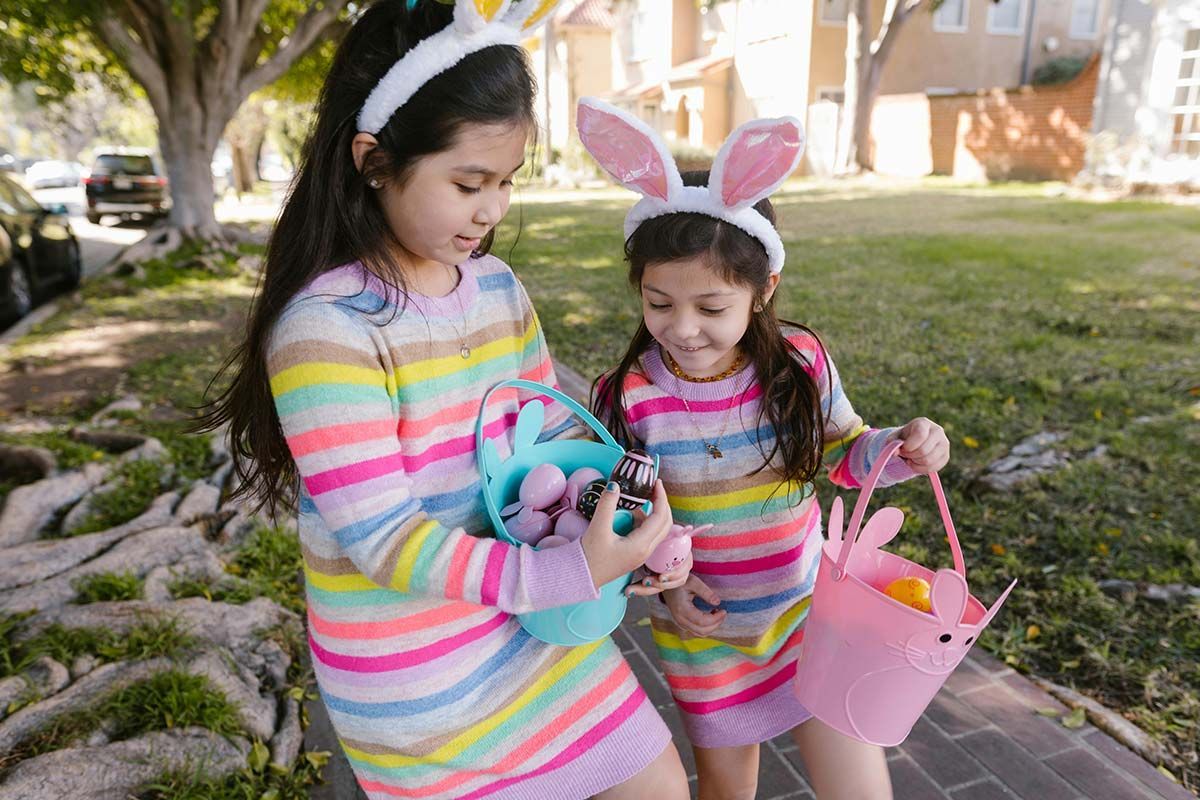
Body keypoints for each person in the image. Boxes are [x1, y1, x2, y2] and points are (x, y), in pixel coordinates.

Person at [199, 6, 692, 798]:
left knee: (659, 785)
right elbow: (387, 541)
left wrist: (623, 516)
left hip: (535, 633)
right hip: (420, 682)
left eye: (505, 182)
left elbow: (555, 435)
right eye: (468, 182)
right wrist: (570, 570)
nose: (492, 210)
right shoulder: (326, 331)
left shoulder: (495, 287)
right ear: (374, 161)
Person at [581, 98, 950, 800]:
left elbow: (845, 454)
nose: (683, 329)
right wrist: (667, 581)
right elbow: (617, 520)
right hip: (704, 636)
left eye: (711, 307)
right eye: (659, 303)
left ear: (764, 288)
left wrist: (903, 448)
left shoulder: (801, 365)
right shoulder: (626, 396)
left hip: (809, 615)